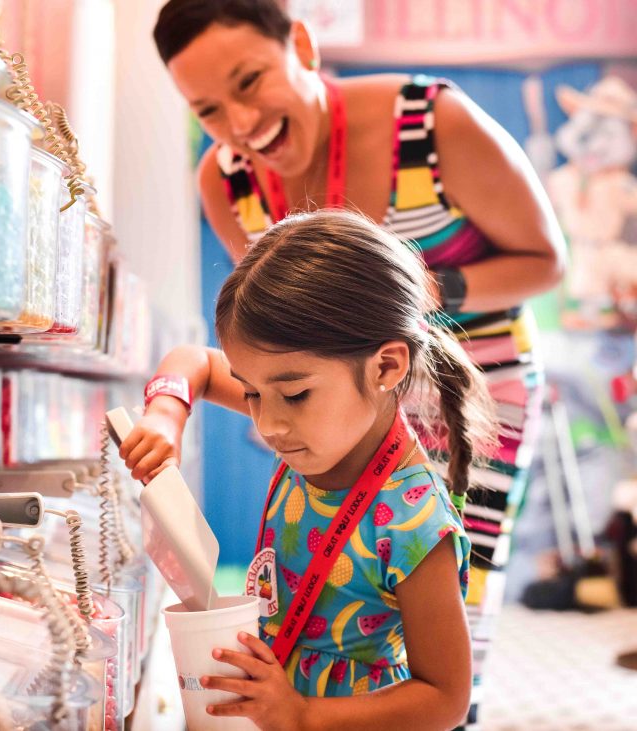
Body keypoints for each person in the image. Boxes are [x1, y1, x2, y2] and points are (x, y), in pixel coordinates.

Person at [152, 2, 567, 726]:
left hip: (470, 381)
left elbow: (545, 261)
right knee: (351, 585)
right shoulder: (225, 180)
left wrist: (409, 298)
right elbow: (268, 328)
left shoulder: (433, 122)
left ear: (302, 45)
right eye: (210, 110)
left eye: (250, 82)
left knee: (451, 604)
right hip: (339, 388)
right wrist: (270, 394)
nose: (241, 124)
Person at [121, 210, 493, 729]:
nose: (268, 423)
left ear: (386, 366)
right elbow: (196, 363)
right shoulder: (322, 433)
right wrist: (165, 413)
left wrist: (302, 714)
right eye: (250, 392)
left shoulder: (414, 524)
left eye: (294, 394)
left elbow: (445, 698)